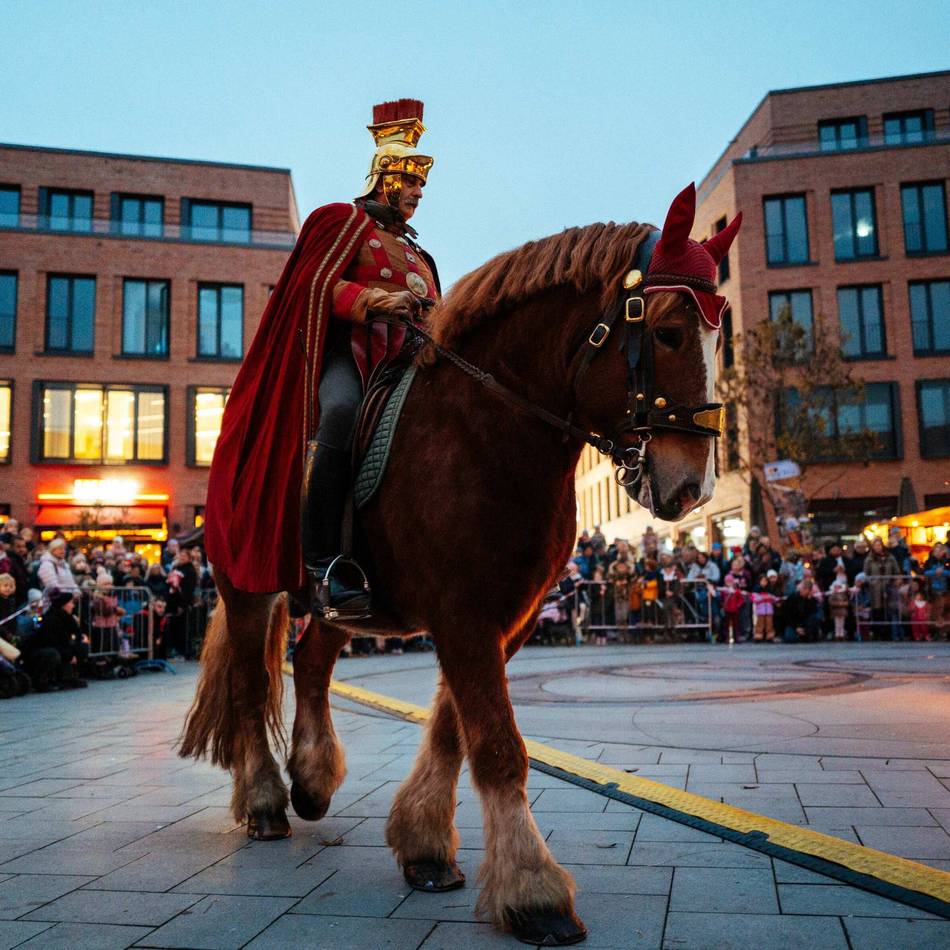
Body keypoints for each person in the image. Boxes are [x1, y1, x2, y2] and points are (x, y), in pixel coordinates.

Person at [204, 99, 439, 617]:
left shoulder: (421, 254)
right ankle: (324, 564)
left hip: (407, 363)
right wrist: (377, 301)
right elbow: (313, 286)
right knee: (340, 413)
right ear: (386, 178)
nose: (420, 194)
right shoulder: (341, 221)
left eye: (423, 186)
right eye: (413, 183)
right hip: (350, 356)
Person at [21, 587, 87, 689]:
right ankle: (41, 680)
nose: (73, 606)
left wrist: (74, 650)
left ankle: (69, 676)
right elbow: (52, 642)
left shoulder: (68, 618)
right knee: (53, 654)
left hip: (60, 648)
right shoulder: (50, 619)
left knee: (82, 647)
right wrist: (69, 655)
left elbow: (76, 635)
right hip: (43, 649)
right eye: (71, 603)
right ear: (63, 605)